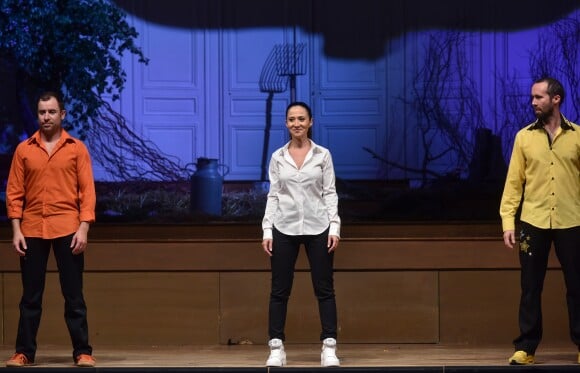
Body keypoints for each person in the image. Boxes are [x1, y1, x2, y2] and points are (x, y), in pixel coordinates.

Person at [5, 91, 97, 367]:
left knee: (73, 295)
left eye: (52, 112)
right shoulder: (24, 150)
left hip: (68, 227)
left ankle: (82, 352)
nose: (46, 117)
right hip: (32, 228)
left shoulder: (76, 148)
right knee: (30, 297)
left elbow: (87, 193)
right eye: (42, 112)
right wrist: (16, 230)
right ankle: (24, 353)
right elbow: (14, 193)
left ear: (62, 114)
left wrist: (83, 229)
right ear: (38, 115)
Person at [500, 77, 580, 365]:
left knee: (577, 285)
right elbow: (513, 184)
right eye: (532, 97)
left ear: (555, 99)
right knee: (530, 285)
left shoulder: (577, 136)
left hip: (572, 221)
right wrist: (508, 221)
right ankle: (527, 347)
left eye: (539, 97)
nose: (533, 102)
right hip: (533, 221)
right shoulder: (524, 137)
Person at [261, 101, 341, 367]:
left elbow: (330, 192)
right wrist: (267, 229)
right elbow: (273, 194)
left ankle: (329, 346)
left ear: (310, 122)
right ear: (286, 123)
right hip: (284, 227)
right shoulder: (277, 157)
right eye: (292, 119)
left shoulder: (323, 155)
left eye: (301, 119)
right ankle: (276, 346)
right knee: (279, 290)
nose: (297, 123)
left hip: (319, 227)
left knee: (324, 288)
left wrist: (335, 227)